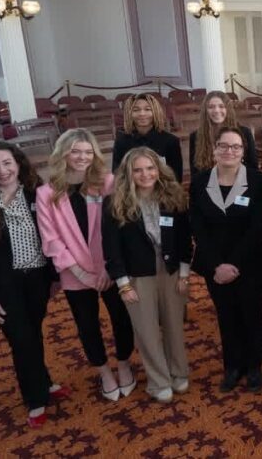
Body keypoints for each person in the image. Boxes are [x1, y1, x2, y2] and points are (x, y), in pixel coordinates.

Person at [0, 142, 70, 428]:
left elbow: (54, 233)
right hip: (2, 286)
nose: (2, 170)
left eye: (7, 163)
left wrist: (55, 276)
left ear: (18, 163)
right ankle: (35, 400)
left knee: (32, 334)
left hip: (37, 279)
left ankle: (44, 382)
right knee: (20, 339)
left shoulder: (37, 193)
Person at [37, 129, 135, 402]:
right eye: (76, 151)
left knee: (122, 318)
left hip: (109, 268)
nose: (82, 157)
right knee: (87, 324)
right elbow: (51, 239)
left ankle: (125, 364)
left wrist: (107, 267)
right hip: (74, 272)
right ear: (63, 154)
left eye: (88, 152)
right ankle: (104, 371)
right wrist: (79, 272)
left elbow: (119, 228)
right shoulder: (47, 193)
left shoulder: (107, 183)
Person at [103, 147, 192, 404]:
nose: (145, 174)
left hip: (172, 271)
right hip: (136, 276)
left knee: (174, 325)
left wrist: (184, 275)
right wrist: (122, 284)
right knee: (147, 330)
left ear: (159, 169)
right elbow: (111, 248)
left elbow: (185, 239)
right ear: (128, 173)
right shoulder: (115, 203)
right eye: (138, 170)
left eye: (150, 168)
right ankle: (159, 380)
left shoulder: (174, 196)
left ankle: (178, 372)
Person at [190, 127, 262, 393]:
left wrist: (233, 264)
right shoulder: (200, 181)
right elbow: (198, 227)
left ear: (243, 151)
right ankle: (232, 367)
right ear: (214, 149)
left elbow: (257, 227)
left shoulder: (258, 181)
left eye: (235, 147)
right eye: (223, 146)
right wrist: (217, 264)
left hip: (249, 263)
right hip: (214, 265)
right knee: (226, 316)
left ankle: (254, 366)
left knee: (251, 315)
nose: (229, 151)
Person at [112, 93, 184, 182]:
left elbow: (176, 177)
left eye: (147, 109)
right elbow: (118, 175)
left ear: (155, 112)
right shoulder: (121, 142)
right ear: (129, 113)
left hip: (163, 192)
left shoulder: (171, 141)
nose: (142, 114)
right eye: (136, 110)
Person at [188, 90, 258, 174]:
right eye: (211, 107)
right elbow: (195, 172)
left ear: (228, 109)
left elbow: (253, 167)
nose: (216, 110)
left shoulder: (245, 133)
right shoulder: (195, 136)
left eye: (221, 106)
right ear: (205, 111)